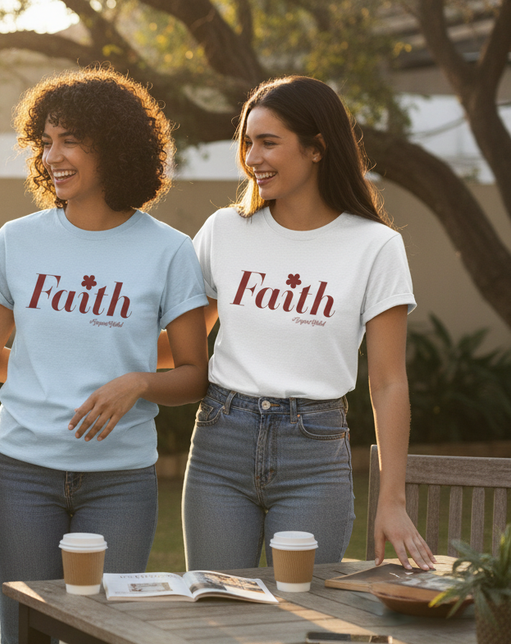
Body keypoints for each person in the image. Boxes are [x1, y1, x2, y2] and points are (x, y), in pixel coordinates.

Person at [0, 68, 210, 644]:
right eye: (45, 142)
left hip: (118, 481)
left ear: (115, 145)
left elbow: (197, 376)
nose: (52, 156)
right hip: (23, 475)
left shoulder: (168, 250)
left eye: (69, 139)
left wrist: (139, 381)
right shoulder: (18, 242)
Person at [182, 75, 435, 572]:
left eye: (269, 143)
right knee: (216, 614)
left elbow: (387, 382)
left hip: (314, 454)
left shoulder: (375, 246)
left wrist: (393, 500)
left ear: (316, 148)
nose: (252, 158)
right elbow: (183, 347)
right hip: (220, 442)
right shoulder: (224, 230)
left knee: (301, 622)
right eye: (248, 143)